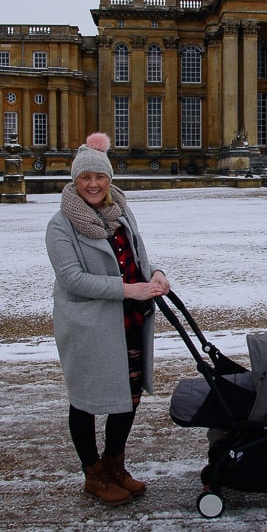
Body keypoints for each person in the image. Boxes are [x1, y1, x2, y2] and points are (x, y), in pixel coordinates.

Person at [45, 132, 171, 506]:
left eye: (100, 177)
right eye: (86, 178)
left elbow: (139, 255)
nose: (94, 184)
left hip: (129, 319)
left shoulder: (122, 212)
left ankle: (115, 463)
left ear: (109, 179)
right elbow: (72, 279)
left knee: (127, 397)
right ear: (75, 181)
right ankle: (93, 472)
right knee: (84, 400)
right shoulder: (61, 224)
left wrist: (156, 274)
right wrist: (127, 289)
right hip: (88, 325)